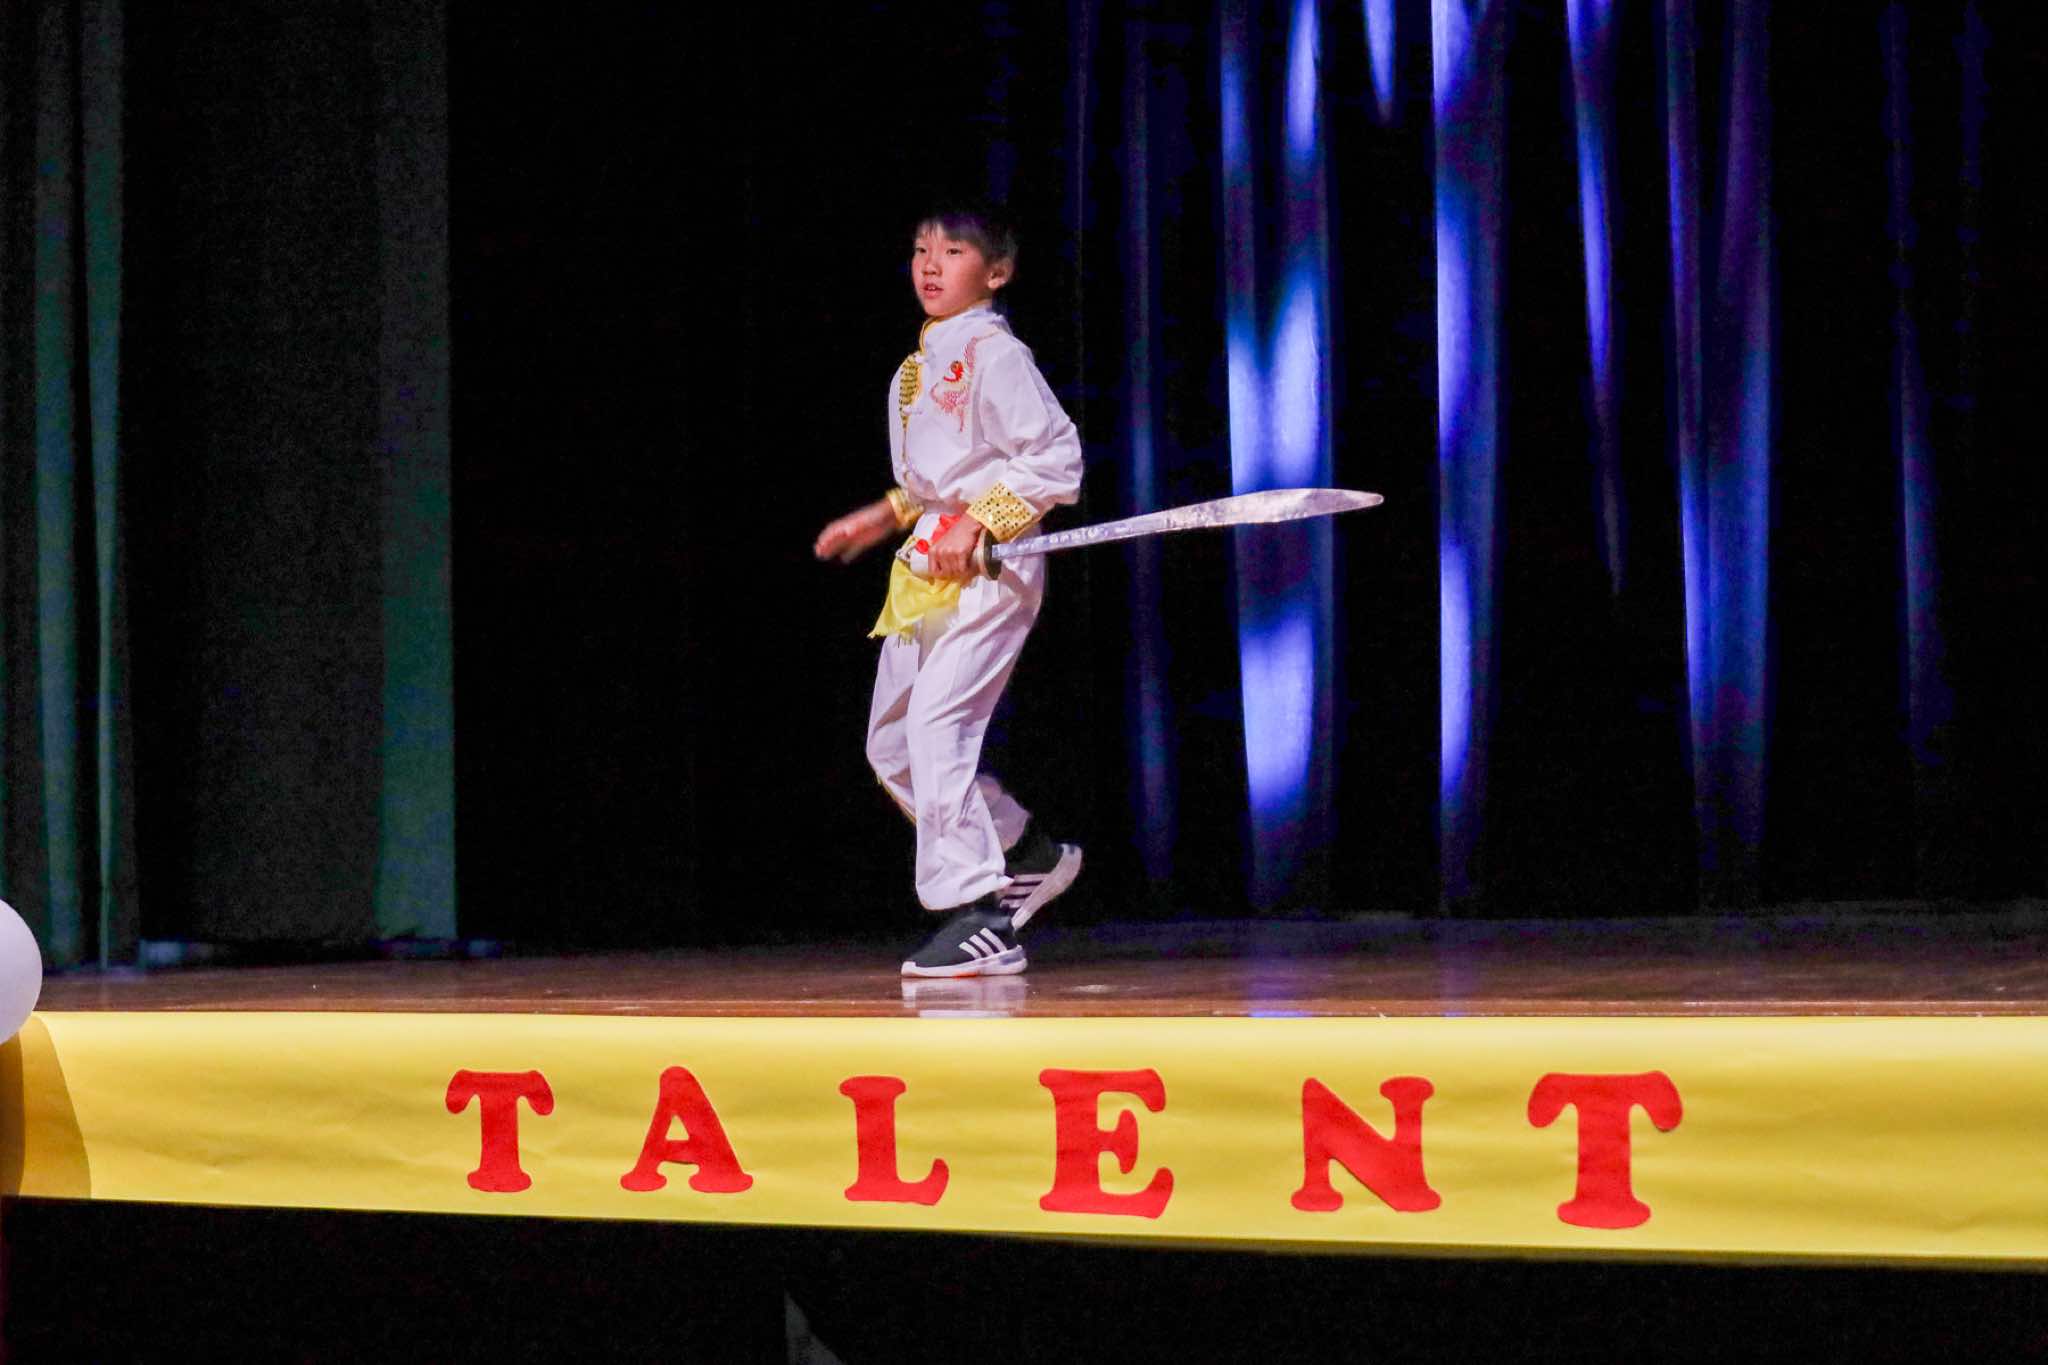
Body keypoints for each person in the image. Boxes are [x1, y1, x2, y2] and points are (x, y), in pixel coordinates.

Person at [813, 202, 1084, 977]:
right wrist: (887, 513)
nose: (930, 264)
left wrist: (985, 519)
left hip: (992, 563)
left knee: (939, 724)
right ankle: (1026, 850)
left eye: (954, 251)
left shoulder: (997, 355)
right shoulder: (914, 370)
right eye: (920, 249)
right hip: (926, 564)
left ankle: (978, 914)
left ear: (997, 272)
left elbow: (1056, 458)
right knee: (892, 743)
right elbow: (937, 476)